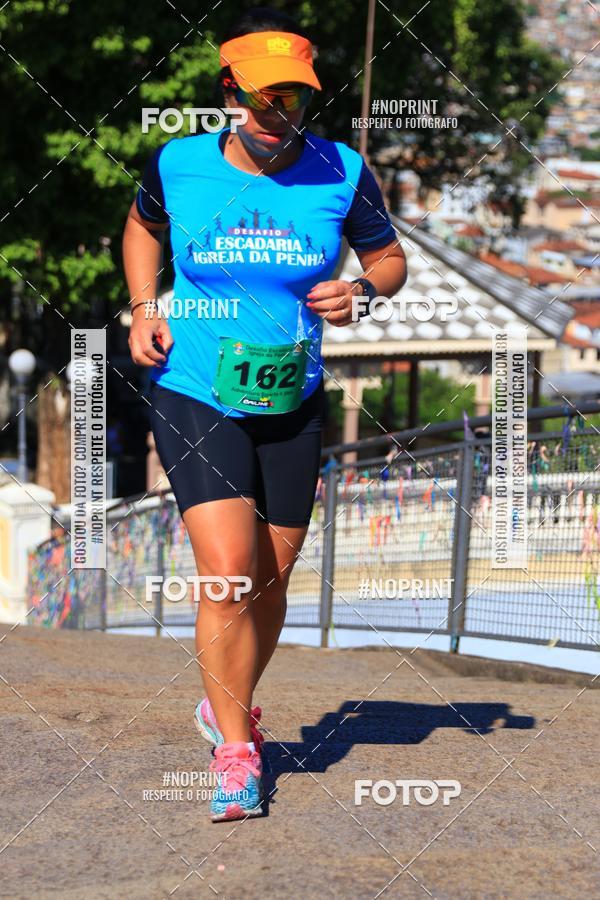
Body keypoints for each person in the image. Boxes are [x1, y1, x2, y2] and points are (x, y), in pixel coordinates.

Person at [122, 6, 407, 822]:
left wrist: (360, 290)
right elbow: (142, 232)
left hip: (292, 399)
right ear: (229, 91)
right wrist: (145, 306)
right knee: (230, 573)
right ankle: (238, 751)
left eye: (295, 98)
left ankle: (229, 700)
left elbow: (389, 259)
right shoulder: (178, 164)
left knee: (272, 579)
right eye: (263, 98)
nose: (279, 115)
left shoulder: (340, 171)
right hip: (194, 388)